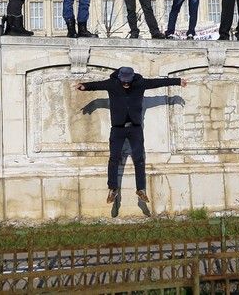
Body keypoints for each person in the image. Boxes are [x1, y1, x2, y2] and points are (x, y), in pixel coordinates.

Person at [73, 67, 186, 216]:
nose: (126, 84)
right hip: (117, 129)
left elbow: (158, 82)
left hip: (135, 129)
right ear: (119, 78)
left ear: (132, 78)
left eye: (128, 82)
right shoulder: (112, 84)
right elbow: (97, 85)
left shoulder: (140, 83)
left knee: (139, 159)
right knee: (114, 159)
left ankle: (141, 190)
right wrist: (85, 86)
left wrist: (178, 81)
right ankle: (113, 189)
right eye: (123, 82)